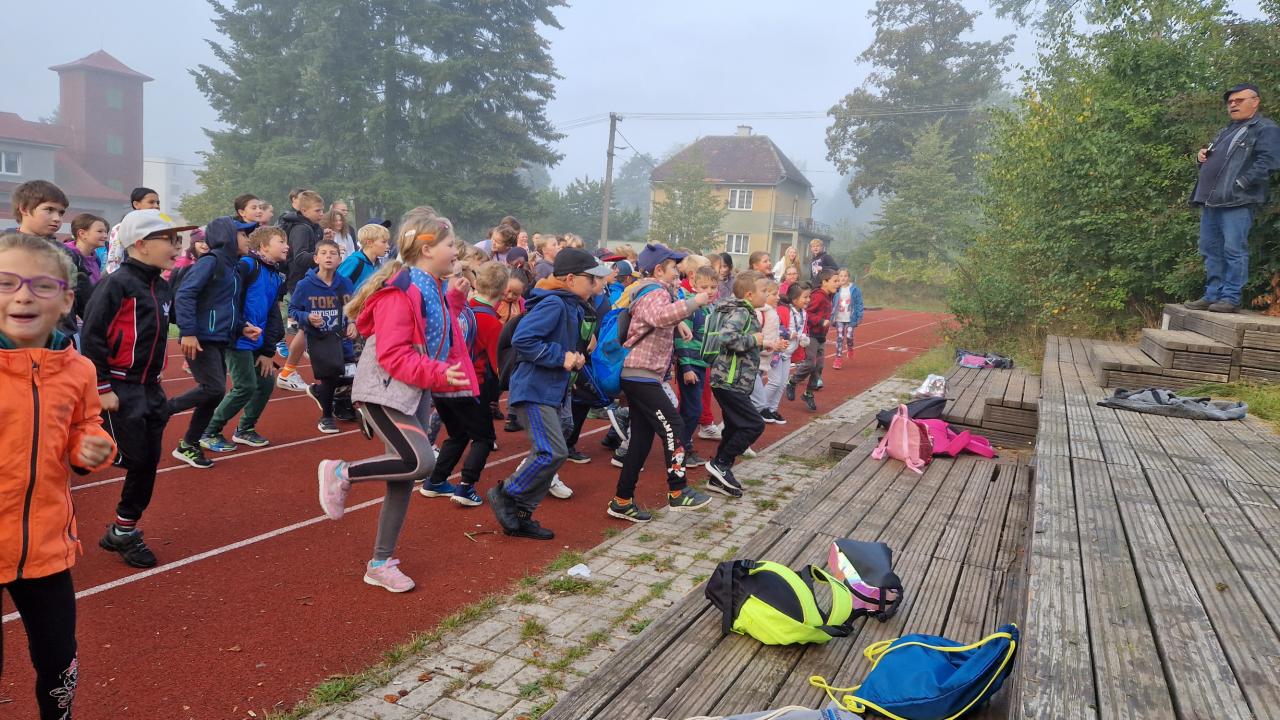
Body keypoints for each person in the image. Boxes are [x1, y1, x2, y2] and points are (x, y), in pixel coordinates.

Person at [316, 210, 474, 592]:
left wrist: (454, 302)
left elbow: (436, 334)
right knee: (420, 462)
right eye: (450, 244)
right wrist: (438, 373)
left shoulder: (434, 287)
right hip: (384, 390)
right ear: (427, 249)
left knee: (403, 476)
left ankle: (380, 563)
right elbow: (392, 354)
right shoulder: (402, 291)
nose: (457, 251)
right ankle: (340, 473)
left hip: (413, 389)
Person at [0, 231, 116, 719]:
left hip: (47, 545)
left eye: (42, 285)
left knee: (58, 660)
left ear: (66, 300)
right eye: (6, 282)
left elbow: (87, 425)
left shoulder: (79, 370)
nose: (23, 296)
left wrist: (92, 446)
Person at [83, 210, 192, 569]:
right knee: (133, 458)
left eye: (179, 239)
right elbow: (92, 336)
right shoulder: (116, 284)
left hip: (151, 389)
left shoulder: (161, 285)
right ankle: (76, 445)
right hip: (119, 386)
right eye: (169, 239)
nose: (177, 246)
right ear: (141, 244)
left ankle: (123, 530)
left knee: (147, 461)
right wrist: (102, 387)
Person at [488, 247, 611, 538]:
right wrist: (561, 357)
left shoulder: (572, 305)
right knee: (552, 451)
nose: (597, 284)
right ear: (571, 279)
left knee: (554, 454)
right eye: (592, 279)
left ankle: (522, 515)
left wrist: (574, 358)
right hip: (534, 390)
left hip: (551, 390)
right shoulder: (554, 303)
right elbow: (524, 339)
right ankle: (506, 493)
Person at [608, 243, 714, 524]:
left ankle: (622, 501)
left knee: (641, 441)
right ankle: (678, 491)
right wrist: (694, 302)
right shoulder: (654, 291)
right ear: (658, 270)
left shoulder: (656, 292)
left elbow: (657, 318)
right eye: (674, 270)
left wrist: (679, 322)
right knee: (674, 425)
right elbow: (658, 316)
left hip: (643, 374)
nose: (678, 275)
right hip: (640, 374)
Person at [170, 216, 261, 468]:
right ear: (227, 237)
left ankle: (189, 444)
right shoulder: (210, 262)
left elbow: (227, 306)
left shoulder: (233, 269)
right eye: (243, 235)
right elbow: (186, 294)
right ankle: (161, 411)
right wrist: (188, 332)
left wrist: (242, 327)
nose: (248, 239)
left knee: (213, 394)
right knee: (213, 389)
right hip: (200, 338)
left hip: (219, 338)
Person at [1186, 82, 1280, 313]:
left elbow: (1269, 161)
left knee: (1233, 250)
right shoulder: (1226, 130)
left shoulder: (1265, 128)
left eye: (1239, 100)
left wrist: (1241, 183)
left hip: (1238, 200)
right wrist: (1201, 157)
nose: (1233, 105)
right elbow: (1217, 162)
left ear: (1255, 102)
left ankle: (1230, 298)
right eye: (1230, 101)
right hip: (1211, 200)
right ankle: (1212, 295)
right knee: (1210, 249)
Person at [417, 252, 495, 508]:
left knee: (458, 434)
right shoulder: (449, 310)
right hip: (459, 382)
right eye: (456, 275)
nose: (463, 280)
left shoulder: (444, 305)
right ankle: (466, 486)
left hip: (442, 382)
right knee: (484, 437)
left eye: (463, 275)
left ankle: (436, 480)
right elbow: (451, 334)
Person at [201, 226, 289, 450]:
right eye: (281, 241)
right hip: (237, 337)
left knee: (265, 383)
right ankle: (209, 430)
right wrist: (239, 327)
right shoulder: (247, 266)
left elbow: (273, 313)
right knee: (245, 386)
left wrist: (268, 351)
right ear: (264, 246)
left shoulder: (275, 274)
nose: (287, 246)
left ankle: (245, 429)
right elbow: (228, 299)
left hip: (257, 340)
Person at [706, 270, 780, 496]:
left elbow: (742, 343)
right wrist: (754, 339)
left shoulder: (745, 311)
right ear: (749, 294)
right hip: (730, 381)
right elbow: (727, 337)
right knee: (753, 425)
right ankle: (721, 463)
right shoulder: (742, 312)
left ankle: (717, 477)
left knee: (734, 426)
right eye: (763, 291)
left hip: (732, 381)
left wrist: (761, 344)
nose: (766, 294)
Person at [290, 240, 357, 434]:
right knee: (330, 376)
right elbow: (293, 310)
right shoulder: (305, 285)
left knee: (351, 375)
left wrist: (352, 323)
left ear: (340, 259)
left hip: (342, 338)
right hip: (319, 339)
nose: (328, 256)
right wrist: (307, 317)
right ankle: (326, 417)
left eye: (333, 253)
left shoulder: (345, 283)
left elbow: (352, 307)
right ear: (316, 258)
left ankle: (319, 392)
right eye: (324, 253)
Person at [277, 190, 327, 392]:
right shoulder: (301, 229)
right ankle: (288, 371)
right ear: (304, 210)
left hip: (310, 280)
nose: (322, 214)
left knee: (308, 328)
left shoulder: (314, 228)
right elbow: (298, 258)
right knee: (307, 327)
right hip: (300, 282)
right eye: (318, 210)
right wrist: (322, 255)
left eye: (322, 210)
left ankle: (290, 370)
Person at [675, 265, 719, 468]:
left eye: (713, 287)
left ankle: (683, 446)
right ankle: (680, 450)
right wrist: (686, 368)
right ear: (694, 285)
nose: (709, 291)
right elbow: (681, 340)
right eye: (704, 287)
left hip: (702, 364)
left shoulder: (710, 308)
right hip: (691, 365)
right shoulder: (691, 308)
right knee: (692, 410)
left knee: (690, 409)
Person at [759, 282, 810, 425]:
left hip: (787, 353)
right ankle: (759, 408)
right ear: (795, 300)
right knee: (774, 382)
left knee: (782, 384)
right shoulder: (783, 310)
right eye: (805, 297)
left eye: (809, 297)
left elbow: (801, 329)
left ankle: (772, 409)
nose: (808, 300)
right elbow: (778, 328)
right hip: (777, 352)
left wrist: (803, 337)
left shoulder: (803, 313)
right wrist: (788, 334)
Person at [788, 268, 838, 412]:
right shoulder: (818, 296)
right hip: (812, 335)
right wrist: (821, 321)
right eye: (835, 281)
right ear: (824, 282)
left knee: (819, 367)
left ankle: (808, 393)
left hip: (821, 337)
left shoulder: (829, 295)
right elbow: (807, 313)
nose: (838, 283)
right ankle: (792, 382)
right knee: (810, 363)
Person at [104, 187, 161, 274]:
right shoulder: (121, 228)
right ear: (136, 204)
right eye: (151, 202)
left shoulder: (160, 228)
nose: (156, 206)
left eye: (158, 203)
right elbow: (114, 262)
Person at [337, 223, 390, 289]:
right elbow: (335, 286)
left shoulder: (378, 265)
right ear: (369, 243)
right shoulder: (354, 261)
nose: (388, 246)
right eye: (384, 242)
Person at [831, 268, 863, 370]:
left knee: (849, 336)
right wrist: (831, 315)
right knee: (840, 337)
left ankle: (850, 347)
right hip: (839, 318)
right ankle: (838, 359)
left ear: (848, 277)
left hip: (850, 318)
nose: (843, 278)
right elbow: (831, 302)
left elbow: (859, 303)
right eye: (841, 276)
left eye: (845, 276)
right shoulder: (836, 289)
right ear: (838, 277)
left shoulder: (855, 289)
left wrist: (860, 315)